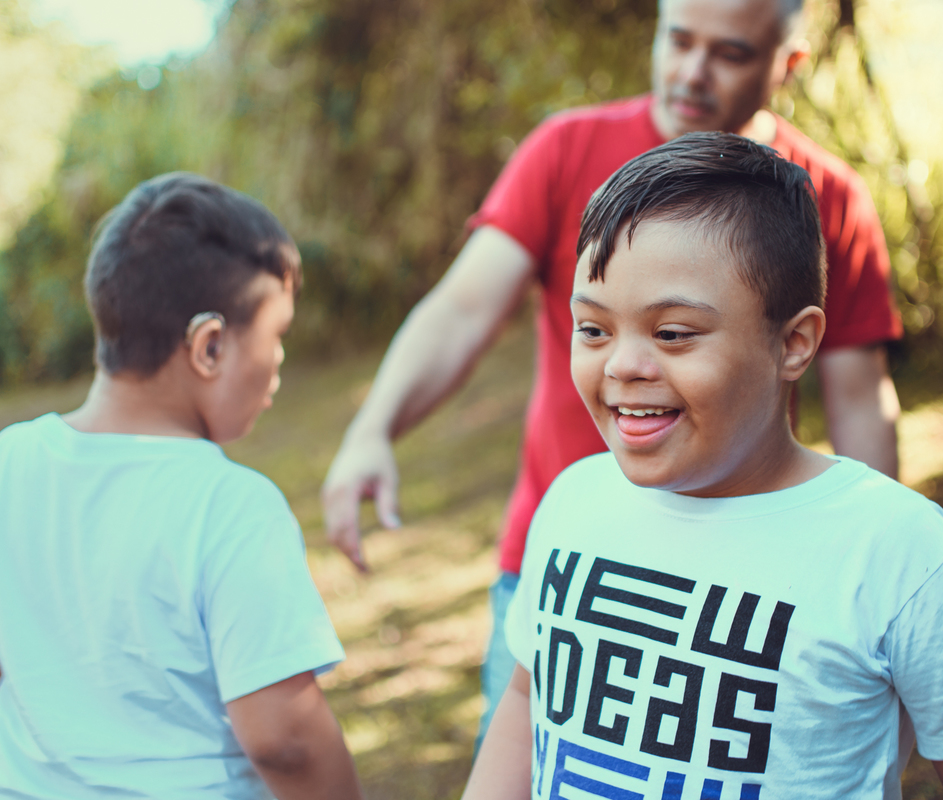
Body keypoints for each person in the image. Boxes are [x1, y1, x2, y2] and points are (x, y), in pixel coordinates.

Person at [322, 0, 903, 744]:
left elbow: (859, 401)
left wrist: (869, 573)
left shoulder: (829, 199)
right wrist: (374, 427)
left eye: (727, 53)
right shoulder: (567, 147)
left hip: (753, 591)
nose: (690, 72)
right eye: (678, 40)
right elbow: (464, 309)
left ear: (786, 64)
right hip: (563, 575)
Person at [462, 132, 943, 800]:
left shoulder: (898, 554)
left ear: (793, 343)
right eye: (594, 329)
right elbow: (526, 698)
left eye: (672, 334)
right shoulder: (573, 504)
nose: (622, 365)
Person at [0, 173, 363, 800]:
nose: (280, 362)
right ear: (208, 347)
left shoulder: (5, 463)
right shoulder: (231, 507)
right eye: (276, 336)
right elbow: (283, 739)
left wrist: (71, 702)